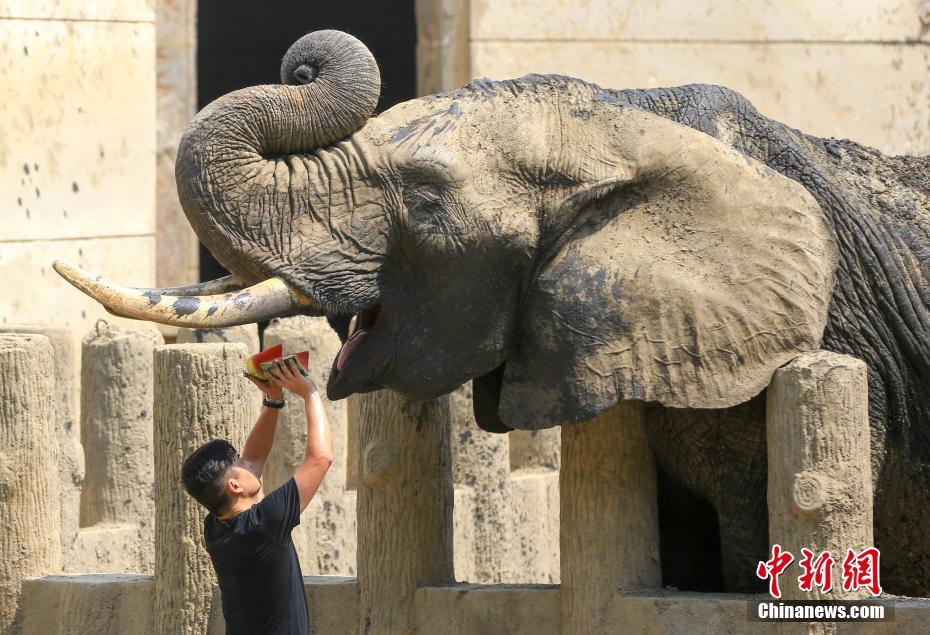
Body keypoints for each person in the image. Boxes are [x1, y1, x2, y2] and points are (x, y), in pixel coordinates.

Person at [181, 357, 333, 634]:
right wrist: (309, 392)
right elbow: (320, 458)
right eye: (239, 462)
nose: (247, 460)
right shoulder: (266, 524)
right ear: (235, 487)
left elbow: (254, 456)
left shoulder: (216, 528)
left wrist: (273, 401)